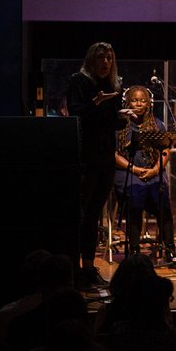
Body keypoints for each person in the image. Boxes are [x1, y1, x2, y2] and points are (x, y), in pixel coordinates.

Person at [66, 41, 124, 288]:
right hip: (86, 158)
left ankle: (88, 269)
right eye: (101, 58)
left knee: (93, 216)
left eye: (109, 58)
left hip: (105, 158)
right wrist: (96, 103)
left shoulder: (111, 86)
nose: (105, 63)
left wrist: (124, 117)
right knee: (80, 214)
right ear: (92, 60)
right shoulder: (79, 81)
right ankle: (72, 269)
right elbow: (75, 113)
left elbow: (113, 123)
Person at [113, 85, 175, 260]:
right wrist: (135, 169)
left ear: (149, 103)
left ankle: (169, 248)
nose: (138, 104)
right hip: (128, 172)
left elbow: (165, 152)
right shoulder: (119, 127)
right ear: (127, 102)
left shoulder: (157, 125)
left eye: (142, 100)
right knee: (136, 195)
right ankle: (134, 251)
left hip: (152, 172)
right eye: (134, 100)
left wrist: (155, 169)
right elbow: (115, 155)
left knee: (162, 198)